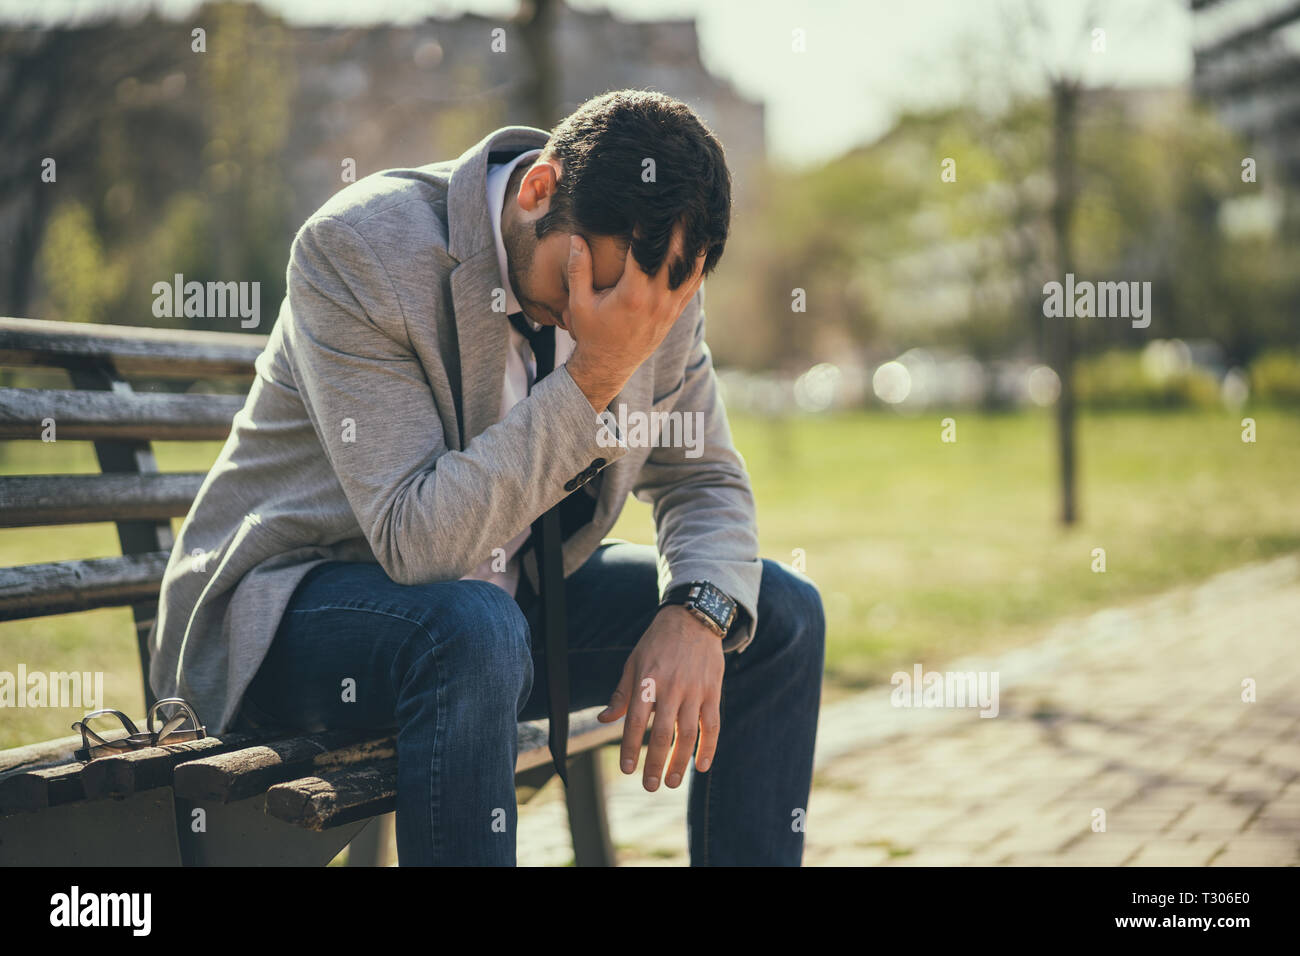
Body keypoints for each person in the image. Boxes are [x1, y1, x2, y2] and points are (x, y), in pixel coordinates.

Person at [150, 89, 824, 865]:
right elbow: (416, 542)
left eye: (653, 310)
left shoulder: (653, 291)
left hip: (505, 612)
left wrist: (698, 611)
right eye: (593, 289)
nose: (611, 322)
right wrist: (594, 378)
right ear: (538, 191)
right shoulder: (362, 249)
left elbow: (700, 476)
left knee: (777, 616)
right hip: (298, 614)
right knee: (471, 630)